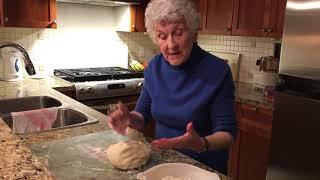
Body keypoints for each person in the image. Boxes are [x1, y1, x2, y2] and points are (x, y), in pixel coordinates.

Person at [107, 0, 236, 174]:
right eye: (162, 36)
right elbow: (142, 115)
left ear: (194, 33)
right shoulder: (154, 67)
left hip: (203, 168)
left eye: (178, 33)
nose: (171, 44)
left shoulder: (217, 71)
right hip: (164, 163)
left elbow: (227, 134)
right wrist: (130, 118)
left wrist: (201, 144)